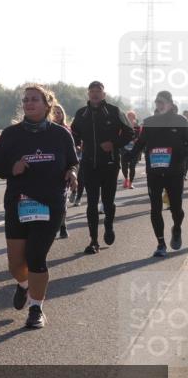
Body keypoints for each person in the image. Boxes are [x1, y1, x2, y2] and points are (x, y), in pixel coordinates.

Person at [0, 84, 78, 329]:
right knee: (16, 265)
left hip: (50, 203)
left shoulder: (61, 134)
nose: (29, 103)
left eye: (35, 99)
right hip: (19, 202)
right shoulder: (11, 134)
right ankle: (24, 285)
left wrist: (72, 173)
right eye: (26, 100)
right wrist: (12, 169)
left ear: (47, 104)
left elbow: (72, 162)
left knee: (36, 257)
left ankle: (36, 308)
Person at [70, 81, 135, 254]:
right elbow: (73, 134)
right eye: (92, 91)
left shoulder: (114, 111)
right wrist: (75, 145)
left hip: (110, 164)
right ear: (88, 94)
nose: (95, 94)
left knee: (107, 202)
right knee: (91, 202)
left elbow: (130, 132)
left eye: (98, 91)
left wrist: (114, 143)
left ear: (104, 94)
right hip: (89, 165)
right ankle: (93, 241)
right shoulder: (81, 113)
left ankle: (108, 225)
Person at [132, 91, 188, 257]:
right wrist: (130, 155)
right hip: (154, 172)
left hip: (175, 172)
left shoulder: (180, 121)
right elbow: (140, 143)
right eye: (157, 102)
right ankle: (160, 243)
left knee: (176, 209)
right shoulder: (149, 122)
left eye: (163, 102)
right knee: (155, 208)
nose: (160, 105)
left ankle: (176, 228)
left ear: (171, 104)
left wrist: (180, 152)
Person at [51, 103, 71, 238]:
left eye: (59, 112)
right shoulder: (45, 130)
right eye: (54, 112)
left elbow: (72, 151)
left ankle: (62, 225)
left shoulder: (66, 130)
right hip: (47, 170)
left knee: (62, 199)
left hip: (63, 170)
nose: (57, 115)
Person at [121, 110, 142, 189]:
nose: (130, 118)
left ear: (134, 118)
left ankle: (130, 183)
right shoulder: (123, 126)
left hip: (134, 150)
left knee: (132, 166)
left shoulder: (137, 127)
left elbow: (140, 137)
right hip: (124, 149)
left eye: (132, 116)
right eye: (129, 116)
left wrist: (136, 139)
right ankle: (126, 179)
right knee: (124, 166)